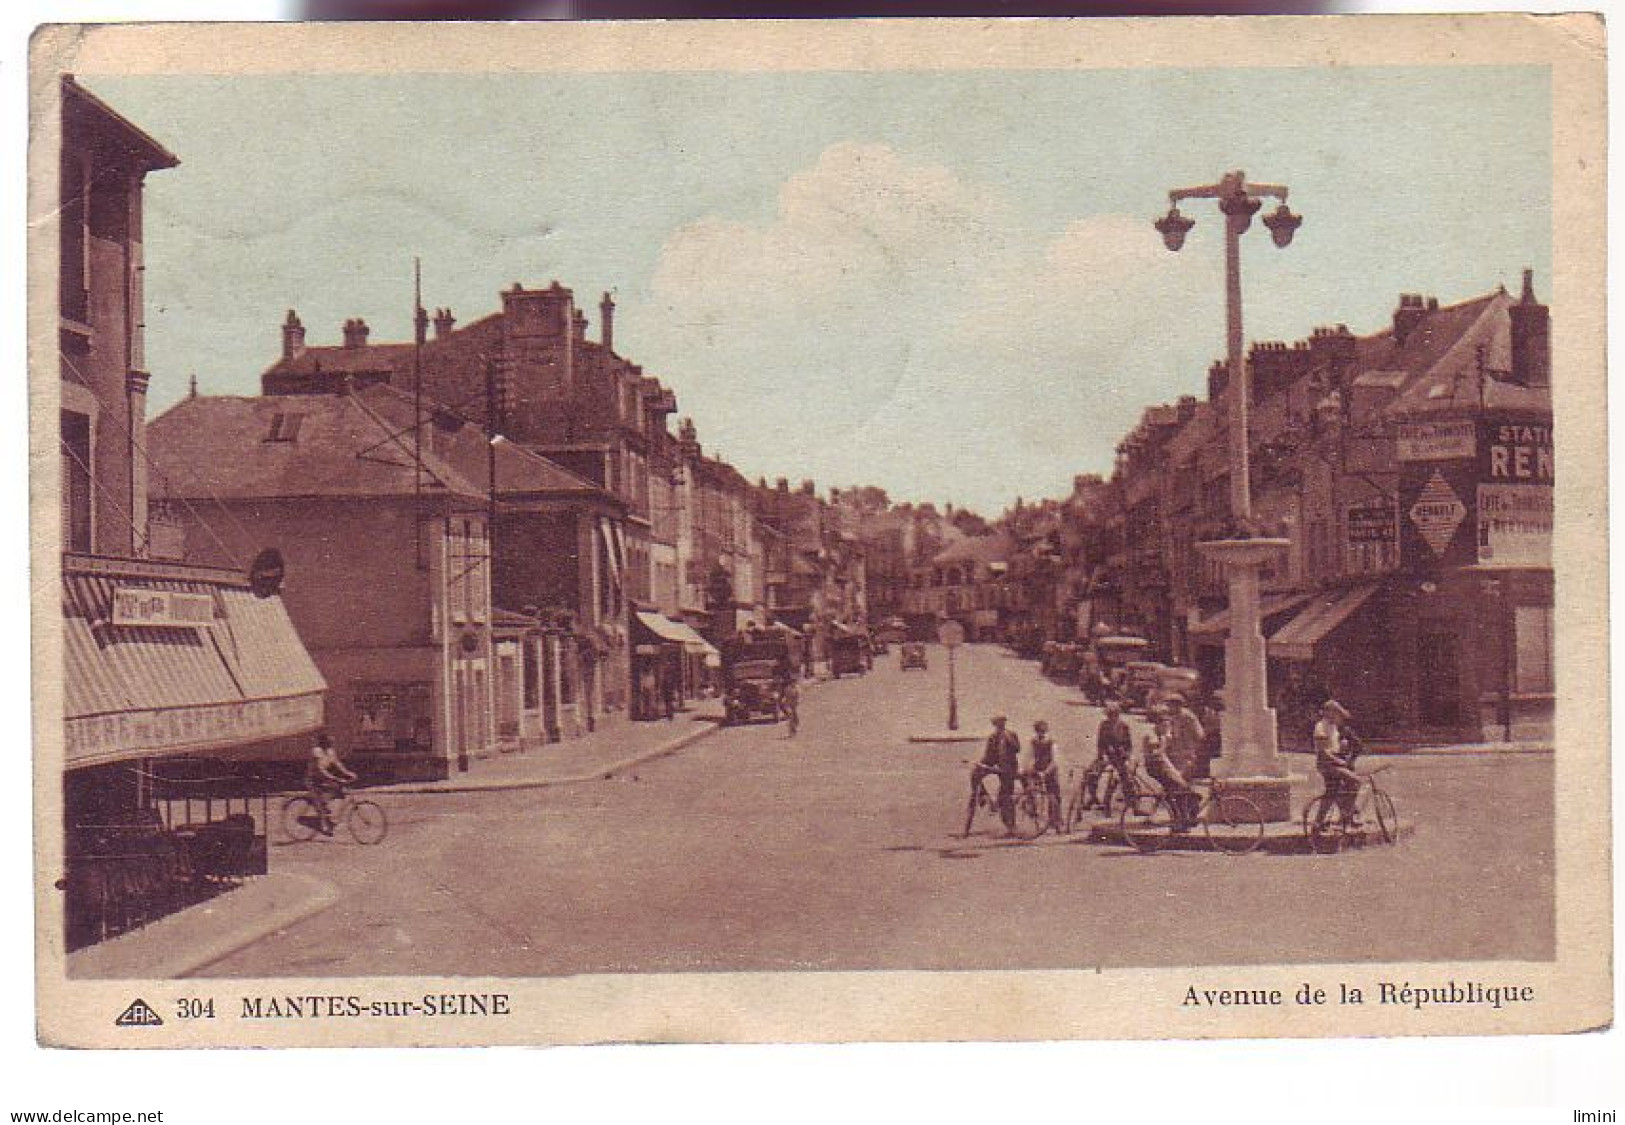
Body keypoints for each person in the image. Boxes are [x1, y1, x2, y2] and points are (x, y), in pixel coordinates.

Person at [1142, 702, 1199, 830]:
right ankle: (1179, 821)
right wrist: (1164, 741)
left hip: (1161, 766)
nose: (1168, 722)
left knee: (1179, 788)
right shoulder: (1152, 733)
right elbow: (1156, 753)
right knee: (1180, 788)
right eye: (1165, 720)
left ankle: (1179, 819)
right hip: (1156, 767)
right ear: (1159, 721)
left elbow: (1163, 757)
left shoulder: (1161, 732)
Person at [1313, 699, 1364, 830]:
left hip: (1334, 763)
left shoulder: (1333, 727)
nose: (1338, 717)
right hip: (1327, 764)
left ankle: (1319, 822)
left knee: (1332, 792)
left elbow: (1334, 747)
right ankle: (1348, 814)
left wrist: (1343, 749)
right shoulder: (1320, 727)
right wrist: (1340, 761)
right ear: (1328, 713)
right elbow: (1323, 752)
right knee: (1356, 781)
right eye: (1336, 713)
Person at [972, 714, 1021, 835]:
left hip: (1009, 768)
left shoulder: (1011, 734)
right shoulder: (992, 737)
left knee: (1006, 796)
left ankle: (1011, 826)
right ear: (995, 725)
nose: (1001, 725)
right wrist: (981, 764)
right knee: (975, 774)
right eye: (998, 723)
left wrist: (1009, 739)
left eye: (1002, 722)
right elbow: (988, 755)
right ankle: (983, 796)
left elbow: (1017, 749)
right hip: (996, 765)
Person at [1085, 699, 1135, 810]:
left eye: (1114, 714)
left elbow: (1129, 745)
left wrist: (1125, 756)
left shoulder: (1123, 726)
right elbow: (1100, 743)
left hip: (1120, 758)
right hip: (1107, 756)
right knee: (1091, 774)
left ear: (1118, 714)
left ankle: (1131, 803)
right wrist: (1100, 756)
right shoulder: (1104, 725)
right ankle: (1093, 797)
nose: (1111, 717)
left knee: (1123, 777)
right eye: (1109, 714)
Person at [305, 731, 357, 836]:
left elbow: (338, 763)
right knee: (321, 806)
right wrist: (335, 778)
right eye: (329, 739)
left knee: (339, 792)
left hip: (323, 779)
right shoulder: (317, 751)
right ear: (324, 741)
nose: (332, 741)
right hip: (313, 780)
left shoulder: (330, 751)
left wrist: (348, 773)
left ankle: (327, 808)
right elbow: (320, 769)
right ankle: (324, 826)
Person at [1029, 720, 1063, 831]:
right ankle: (1034, 814)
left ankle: (1056, 822)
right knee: (1031, 790)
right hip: (1038, 769)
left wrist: (1046, 772)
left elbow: (1055, 760)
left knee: (1054, 795)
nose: (1041, 734)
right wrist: (1029, 768)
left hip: (1050, 770)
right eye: (1039, 731)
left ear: (1046, 731)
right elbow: (1029, 756)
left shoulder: (1051, 742)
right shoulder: (1033, 741)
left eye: (1043, 731)